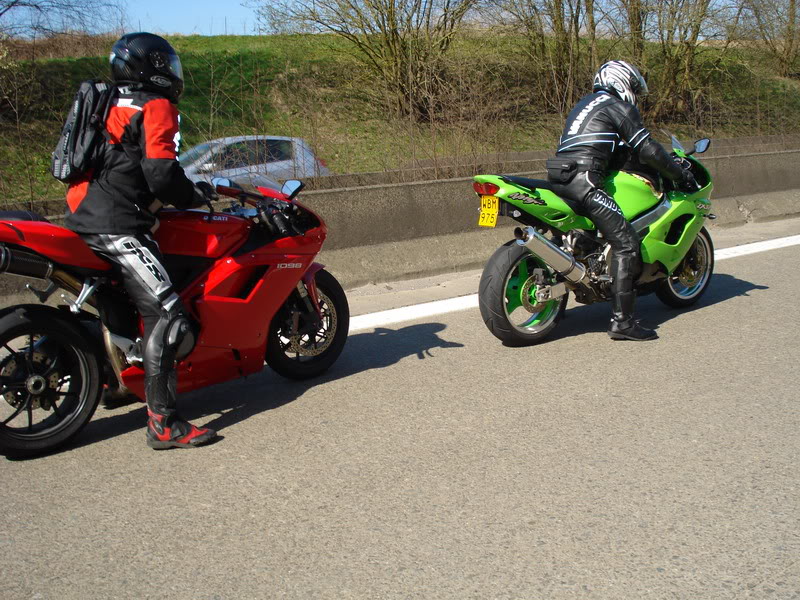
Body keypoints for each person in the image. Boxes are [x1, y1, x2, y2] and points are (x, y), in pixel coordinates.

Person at [64, 32, 217, 449]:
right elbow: (162, 173)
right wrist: (195, 195)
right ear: (151, 68)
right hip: (116, 224)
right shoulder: (156, 105)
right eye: (166, 65)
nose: (172, 73)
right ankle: (164, 423)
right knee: (168, 316)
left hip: (81, 214)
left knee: (124, 303)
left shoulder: (111, 100)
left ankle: (115, 382)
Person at [548, 60, 698, 341]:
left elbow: (606, 146)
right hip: (586, 181)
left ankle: (568, 287)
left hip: (560, 178)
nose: (635, 96)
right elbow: (649, 150)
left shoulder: (584, 106)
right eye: (633, 88)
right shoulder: (619, 106)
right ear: (622, 82)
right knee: (626, 243)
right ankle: (622, 323)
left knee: (582, 236)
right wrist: (680, 175)